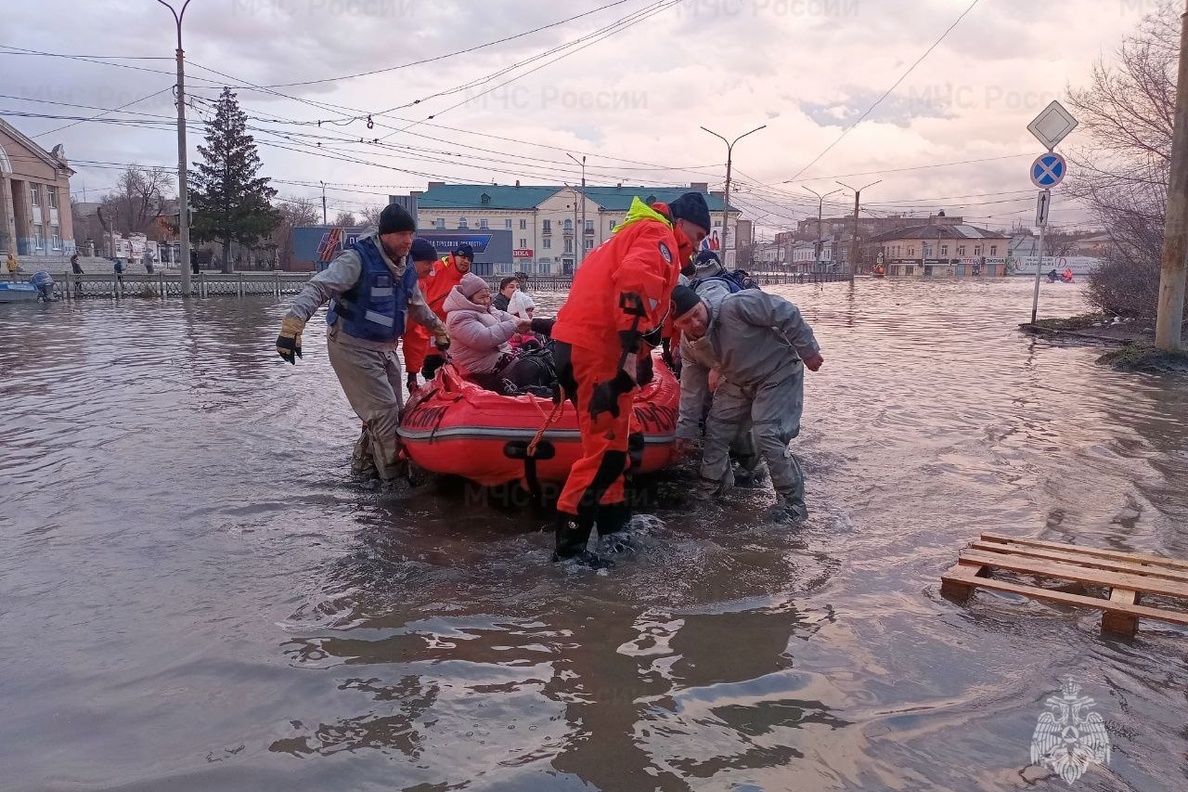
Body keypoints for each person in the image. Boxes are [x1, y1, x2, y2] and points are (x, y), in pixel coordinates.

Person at [549, 190, 711, 565]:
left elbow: (619, 293)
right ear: (682, 223)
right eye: (699, 237)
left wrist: (636, 352)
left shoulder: (632, 233)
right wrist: (628, 350)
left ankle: (614, 528)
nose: (696, 248)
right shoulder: (658, 236)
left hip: (584, 346)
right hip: (597, 351)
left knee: (622, 442)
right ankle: (569, 553)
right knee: (605, 454)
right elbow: (637, 282)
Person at [275, 203, 450, 485]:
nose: (408, 241)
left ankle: (363, 470)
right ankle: (394, 483)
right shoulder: (357, 259)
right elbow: (319, 287)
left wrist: (439, 330)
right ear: (384, 235)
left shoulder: (405, 269)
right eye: (401, 234)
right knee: (383, 412)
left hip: (385, 348)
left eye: (411, 234)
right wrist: (293, 325)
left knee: (395, 412)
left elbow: (417, 306)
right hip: (351, 344)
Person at [671, 284, 824, 523]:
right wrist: (685, 430)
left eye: (696, 314)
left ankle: (792, 504)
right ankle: (712, 491)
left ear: (701, 303)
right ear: (676, 326)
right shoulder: (688, 347)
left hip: (777, 370)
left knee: (769, 433)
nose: (695, 324)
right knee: (716, 431)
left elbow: (785, 312)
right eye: (685, 322)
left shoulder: (736, 306)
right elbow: (692, 390)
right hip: (738, 379)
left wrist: (808, 349)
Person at [443, 272, 537, 390]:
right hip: (475, 364)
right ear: (469, 299)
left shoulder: (488, 309)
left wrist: (534, 325)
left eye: (488, 296)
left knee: (536, 359)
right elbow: (481, 339)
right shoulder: (459, 317)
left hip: (494, 355)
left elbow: (510, 318)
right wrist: (513, 325)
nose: (487, 300)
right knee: (528, 368)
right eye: (482, 297)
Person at [416, 244, 475, 380]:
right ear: (454, 256)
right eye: (463, 257)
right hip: (430, 324)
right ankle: (430, 386)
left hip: (454, 328)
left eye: (469, 259)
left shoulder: (469, 280)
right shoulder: (436, 268)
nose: (466, 261)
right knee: (432, 362)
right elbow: (418, 285)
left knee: (454, 365)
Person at [401, 239, 441, 394]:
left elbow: (414, 332)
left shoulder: (420, 284)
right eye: (427, 263)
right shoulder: (405, 283)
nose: (432, 269)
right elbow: (413, 330)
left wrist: (412, 373)